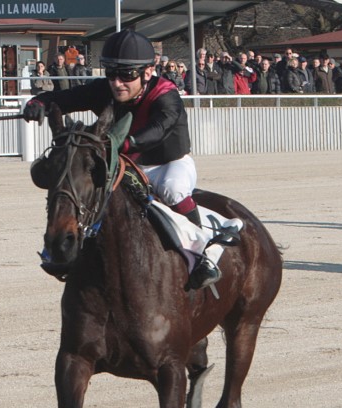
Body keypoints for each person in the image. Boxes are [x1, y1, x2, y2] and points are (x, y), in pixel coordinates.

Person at [21, 29, 221, 289]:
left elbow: (161, 127)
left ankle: (204, 251)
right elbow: (66, 98)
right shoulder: (106, 89)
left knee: (173, 189)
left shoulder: (166, 94)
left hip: (167, 164)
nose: (117, 83)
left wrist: (126, 143)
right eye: (112, 73)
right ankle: (64, 249)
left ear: (148, 72)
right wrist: (39, 102)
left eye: (127, 75)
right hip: (125, 163)